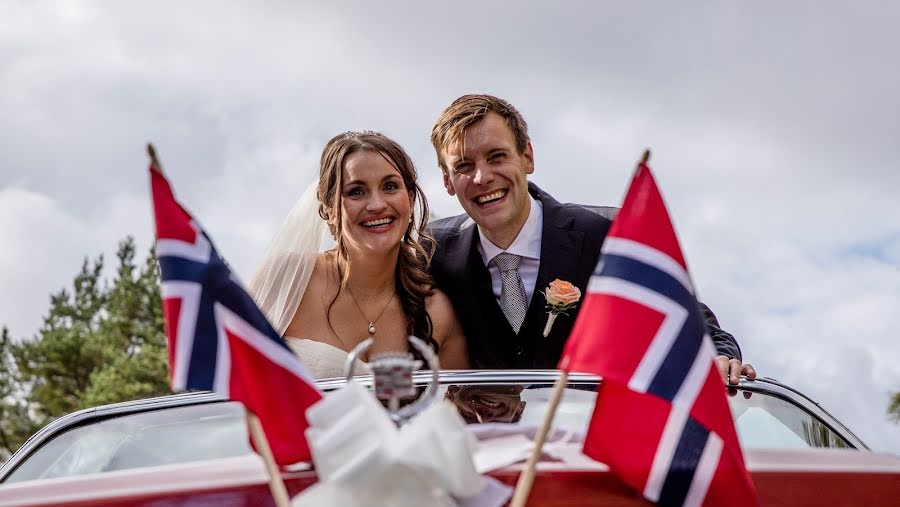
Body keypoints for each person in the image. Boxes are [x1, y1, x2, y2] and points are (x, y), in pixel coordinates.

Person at [427, 94, 755, 385]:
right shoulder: (433, 251)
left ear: (527, 156)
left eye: (497, 156)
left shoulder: (610, 233)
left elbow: (686, 319)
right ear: (447, 180)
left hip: (588, 448)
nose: (482, 178)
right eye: (464, 166)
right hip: (484, 449)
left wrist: (719, 356)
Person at [250, 131, 468, 379]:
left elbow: (459, 410)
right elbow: (233, 385)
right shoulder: (287, 280)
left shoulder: (436, 311)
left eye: (390, 187)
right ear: (329, 209)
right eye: (356, 191)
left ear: (409, 199)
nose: (376, 204)